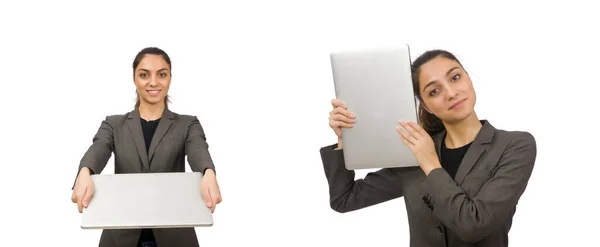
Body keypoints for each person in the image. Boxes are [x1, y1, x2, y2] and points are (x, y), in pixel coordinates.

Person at [320, 49, 536, 247]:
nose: (451, 93)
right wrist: (345, 139)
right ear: (425, 105)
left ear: (469, 79)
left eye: (455, 77)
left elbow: (474, 225)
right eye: (434, 91)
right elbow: (344, 199)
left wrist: (430, 163)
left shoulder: (515, 146)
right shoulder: (415, 150)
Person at [71, 47, 222, 247]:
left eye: (162, 74)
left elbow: (198, 149)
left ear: (170, 78)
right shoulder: (113, 124)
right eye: (144, 75)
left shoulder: (188, 124)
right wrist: (84, 172)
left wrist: (208, 172)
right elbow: (98, 149)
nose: (153, 82)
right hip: (120, 238)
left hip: (175, 238)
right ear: (134, 78)